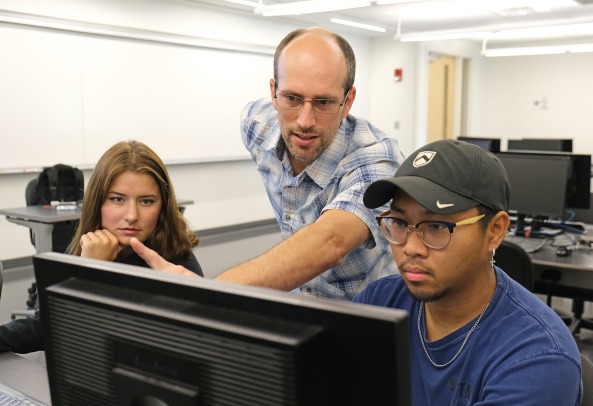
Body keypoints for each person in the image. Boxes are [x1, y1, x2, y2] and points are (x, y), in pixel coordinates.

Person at [132, 27, 403, 300]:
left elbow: (330, 242)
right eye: (292, 98)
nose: (305, 121)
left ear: (347, 102)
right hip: (301, 301)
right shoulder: (256, 125)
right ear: (273, 93)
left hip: (370, 310)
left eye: (323, 102)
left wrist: (207, 293)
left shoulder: (377, 159)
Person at [354, 139, 582, 405]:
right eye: (399, 223)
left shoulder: (537, 357)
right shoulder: (380, 302)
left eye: (437, 226)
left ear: (495, 231)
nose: (411, 248)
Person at [0, 140, 203, 354]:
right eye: (117, 199)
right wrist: (87, 266)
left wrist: (90, 274)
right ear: (97, 203)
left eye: (146, 201)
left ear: (162, 207)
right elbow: (45, 328)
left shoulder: (177, 264)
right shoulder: (86, 249)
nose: (132, 216)